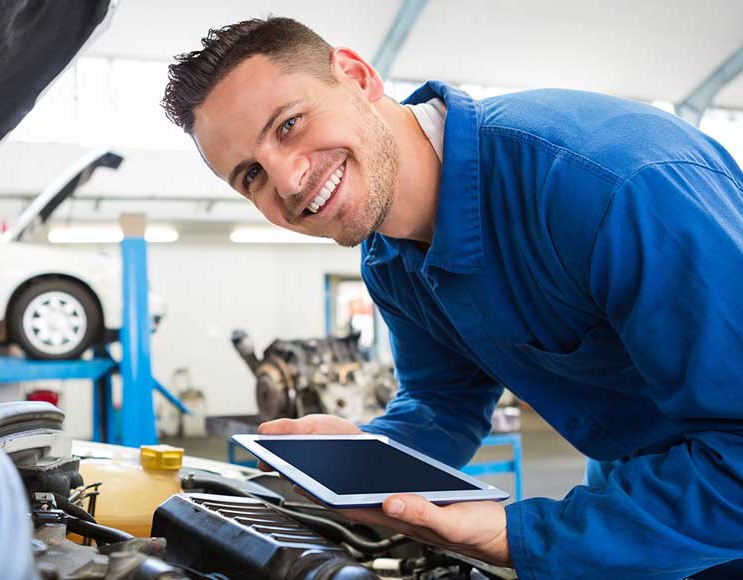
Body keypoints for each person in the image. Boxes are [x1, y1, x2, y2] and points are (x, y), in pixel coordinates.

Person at [161, 17, 743, 579]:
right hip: (644, 503)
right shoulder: (387, 257)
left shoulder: (608, 186)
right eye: (251, 176)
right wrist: (370, 456)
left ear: (358, 76)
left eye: (288, 125)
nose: (287, 182)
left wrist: (519, 536)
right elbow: (445, 401)